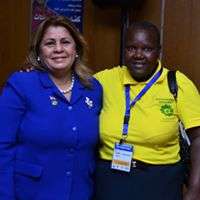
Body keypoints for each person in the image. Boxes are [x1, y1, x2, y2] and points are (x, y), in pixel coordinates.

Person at [93, 21, 200, 200]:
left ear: (158, 51)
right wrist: (39, 72)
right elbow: (67, 87)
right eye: (131, 48)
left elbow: (198, 139)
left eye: (147, 49)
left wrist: (195, 189)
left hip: (160, 182)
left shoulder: (177, 84)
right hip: (110, 181)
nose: (138, 55)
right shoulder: (104, 80)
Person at [0, 16, 102, 200]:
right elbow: (2, 146)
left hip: (80, 193)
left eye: (65, 42)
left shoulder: (93, 88)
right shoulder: (21, 84)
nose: (58, 49)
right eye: (49, 43)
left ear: (76, 49)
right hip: (31, 193)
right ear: (39, 50)